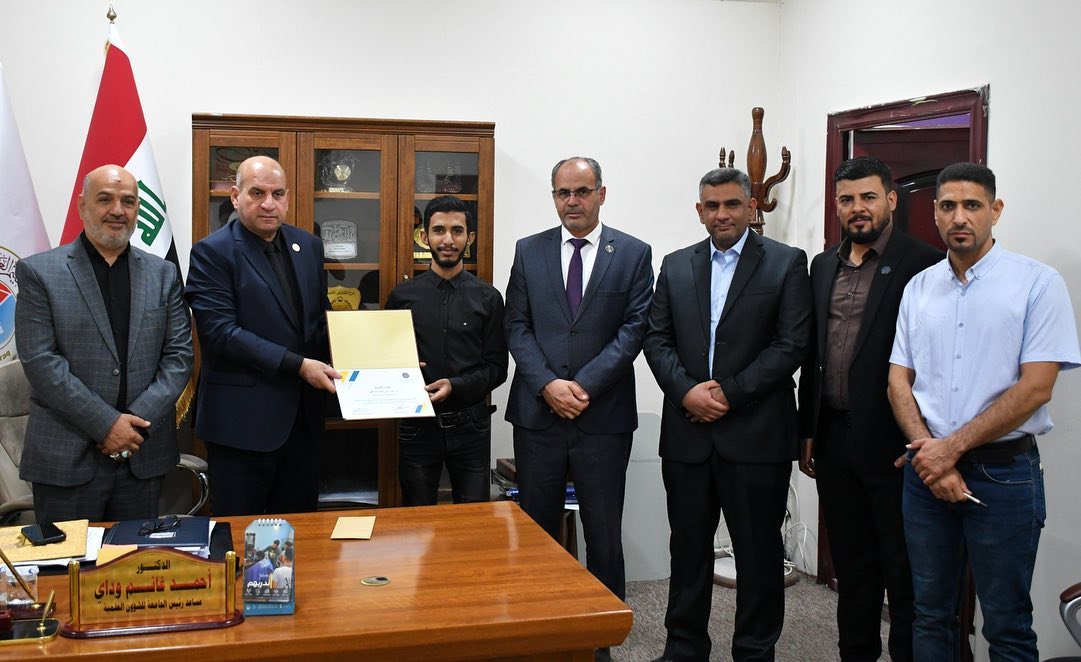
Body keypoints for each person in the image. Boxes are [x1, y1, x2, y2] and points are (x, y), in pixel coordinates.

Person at [888, 162, 1080, 660]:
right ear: (934, 213)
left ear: (995, 210)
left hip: (1004, 475)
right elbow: (898, 381)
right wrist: (932, 459)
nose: (960, 217)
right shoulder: (918, 288)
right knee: (930, 614)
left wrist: (945, 451)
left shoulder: (1037, 284)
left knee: (1007, 623)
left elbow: (1036, 389)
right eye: (948, 206)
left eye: (972, 205)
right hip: (925, 477)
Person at [643, 167, 812, 661]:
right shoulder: (676, 265)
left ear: (751, 207)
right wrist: (686, 392)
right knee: (687, 551)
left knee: (758, 556)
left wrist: (727, 394)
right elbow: (656, 338)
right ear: (699, 211)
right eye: (712, 206)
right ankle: (684, 649)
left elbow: (792, 345)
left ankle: (755, 653)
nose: (722, 214)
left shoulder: (785, 263)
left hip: (757, 434)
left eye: (732, 204)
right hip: (688, 435)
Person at [796, 156, 941, 661]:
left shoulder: (924, 263)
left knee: (902, 571)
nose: (857, 208)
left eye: (868, 197)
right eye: (847, 199)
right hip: (834, 439)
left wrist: (923, 437)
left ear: (891, 200)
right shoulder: (822, 266)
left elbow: (937, 360)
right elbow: (813, 356)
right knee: (852, 566)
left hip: (895, 444)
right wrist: (808, 429)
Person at [504, 156, 653, 612]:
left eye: (582, 192)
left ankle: (602, 628)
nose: (573, 201)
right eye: (563, 193)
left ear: (601, 194)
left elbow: (634, 329)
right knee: (537, 529)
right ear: (554, 197)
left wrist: (583, 385)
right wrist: (548, 384)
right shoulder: (528, 250)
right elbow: (516, 326)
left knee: (603, 530)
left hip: (603, 417)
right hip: (538, 415)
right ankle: (543, 619)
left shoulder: (633, 253)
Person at [14, 164, 193, 523]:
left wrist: (132, 427)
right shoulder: (39, 272)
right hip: (67, 459)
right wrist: (108, 425)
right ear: (82, 206)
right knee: (68, 559)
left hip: (142, 456)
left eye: (128, 201)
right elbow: (41, 362)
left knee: (135, 557)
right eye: (105, 199)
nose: (117, 210)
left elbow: (179, 357)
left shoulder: (163, 273)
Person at [186, 155, 339, 516]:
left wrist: (380, 359)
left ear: (287, 198)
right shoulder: (212, 252)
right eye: (257, 193)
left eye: (278, 194)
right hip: (242, 428)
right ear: (235, 196)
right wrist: (298, 365)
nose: (269, 203)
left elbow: (319, 321)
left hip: (303, 424)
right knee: (241, 534)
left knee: (300, 531)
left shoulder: (308, 246)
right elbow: (222, 333)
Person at [386, 195, 507, 505]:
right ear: (424, 236)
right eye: (439, 230)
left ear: (470, 238)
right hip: (417, 427)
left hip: (471, 428)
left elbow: (498, 369)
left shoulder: (489, 298)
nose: (448, 240)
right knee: (417, 520)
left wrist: (456, 385)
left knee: (472, 521)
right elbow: (385, 362)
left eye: (457, 230)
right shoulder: (401, 297)